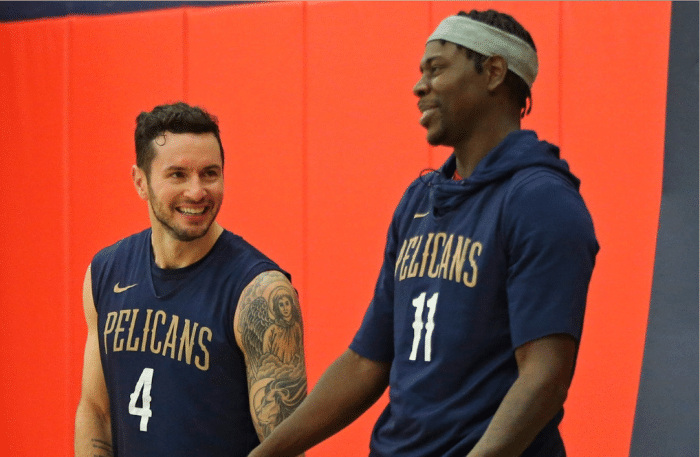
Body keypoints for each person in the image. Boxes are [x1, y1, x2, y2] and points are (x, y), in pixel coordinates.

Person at [248, 9, 598, 457]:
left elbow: (544, 377)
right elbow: (365, 362)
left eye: (436, 69)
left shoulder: (541, 201)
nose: (419, 86)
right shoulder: (419, 199)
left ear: (493, 72)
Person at [74, 102, 307, 456]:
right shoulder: (106, 272)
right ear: (140, 182)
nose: (197, 192)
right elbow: (96, 410)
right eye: (178, 175)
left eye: (210, 173)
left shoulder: (260, 293)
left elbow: (286, 447)